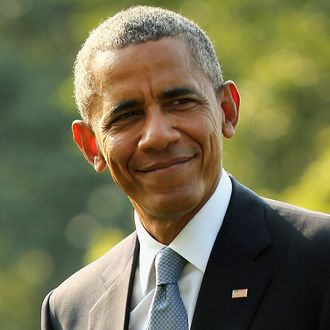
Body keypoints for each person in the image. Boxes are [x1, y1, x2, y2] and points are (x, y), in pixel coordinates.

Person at [41, 5, 330, 330]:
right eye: (127, 116)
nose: (158, 136)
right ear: (91, 146)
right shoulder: (70, 310)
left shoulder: (319, 262)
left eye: (180, 102)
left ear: (227, 110)